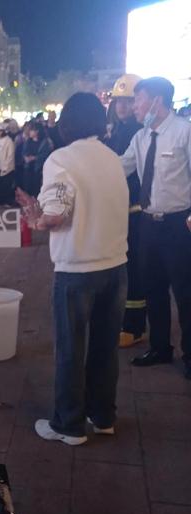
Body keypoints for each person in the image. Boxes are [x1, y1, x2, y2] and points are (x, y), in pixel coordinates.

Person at [17, 92, 128, 446]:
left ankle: (68, 424)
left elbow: (57, 214)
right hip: (116, 265)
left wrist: (35, 218)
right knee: (104, 347)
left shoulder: (60, 159)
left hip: (77, 269)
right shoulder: (112, 158)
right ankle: (103, 415)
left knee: (70, 348)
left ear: (67, 123)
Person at [121, 77, 191, 379]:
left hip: (179, 225)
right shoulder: (141, 137)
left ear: (157, 101)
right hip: (148, 225)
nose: (134, 107)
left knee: (185, 293)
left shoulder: (184, 132)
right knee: (154, 290)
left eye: (138, 100)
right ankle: (161, 348)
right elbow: (120, 166)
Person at [106, 74, 146, 348]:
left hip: (136, 211)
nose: (122, 106)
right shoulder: (118, 130)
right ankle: (126, 321)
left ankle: (134, 326)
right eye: (118, 100)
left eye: (129, 100)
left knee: (136, 270)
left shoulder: (137, 131)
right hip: (121, 208)